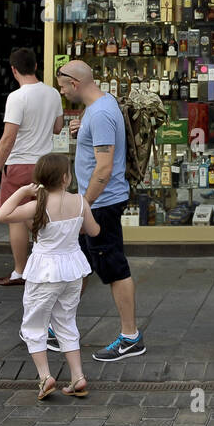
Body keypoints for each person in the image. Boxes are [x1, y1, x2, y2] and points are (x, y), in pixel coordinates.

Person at [57, 60, 143, 362]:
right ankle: (60, 326)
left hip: (102, 204)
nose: (62, 92)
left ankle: (130, 337)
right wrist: (84, 129)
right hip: (94, 202)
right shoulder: (99, 107)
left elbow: (104, 168)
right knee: (78, 264)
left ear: (75, 84)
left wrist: (84, 204)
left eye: (63, 87)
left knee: (114, 268)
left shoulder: (102, 112)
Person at [0, 153, 101, 400]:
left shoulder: (38, 205)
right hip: (73, 269)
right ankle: (77, 376)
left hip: (45, 271)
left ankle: (45, 377)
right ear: (66, 178)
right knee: (66, 320)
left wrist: (22, 192)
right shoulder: (80, 201)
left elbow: (1, 216)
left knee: (34, 324)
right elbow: (94, 230)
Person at [0, 47, 64, 287]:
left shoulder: (17, 97)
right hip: (46, 163)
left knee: (16, 218)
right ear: (36, 66)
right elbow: (57, 128)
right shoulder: (52, 94)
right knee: (42, 212)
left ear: (14, 70)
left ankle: (20, 271)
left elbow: (8, 138)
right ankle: (52, 259)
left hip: (19, 164)